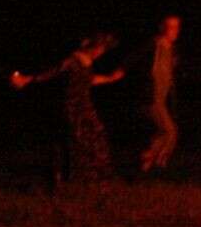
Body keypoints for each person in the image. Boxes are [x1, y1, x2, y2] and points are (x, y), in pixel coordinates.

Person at [12, 32, 124, 189]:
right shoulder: (73, 60)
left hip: (86, 105)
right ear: (91, 46)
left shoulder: (88, 62)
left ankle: (95, 176)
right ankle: (71, 176)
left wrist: (110, 78)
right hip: (72, 106)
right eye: (99, 48)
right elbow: (52, 72)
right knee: (78, 140)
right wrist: (28, 79)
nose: (100, 52)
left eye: (103, 49)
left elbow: (89, 80)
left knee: (96, 136)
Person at [135, 14, 183, 174]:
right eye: (171, 27)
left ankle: (148, 164)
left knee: (167, 133)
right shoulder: (154, 45)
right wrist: (118, 72)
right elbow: (135, 58)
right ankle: (150, 157)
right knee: (169, 131)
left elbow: (170, 74)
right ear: (162, 28)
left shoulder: (172, 49)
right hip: (151, 98)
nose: (175, 31)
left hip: (162, 99)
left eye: (177, 27)